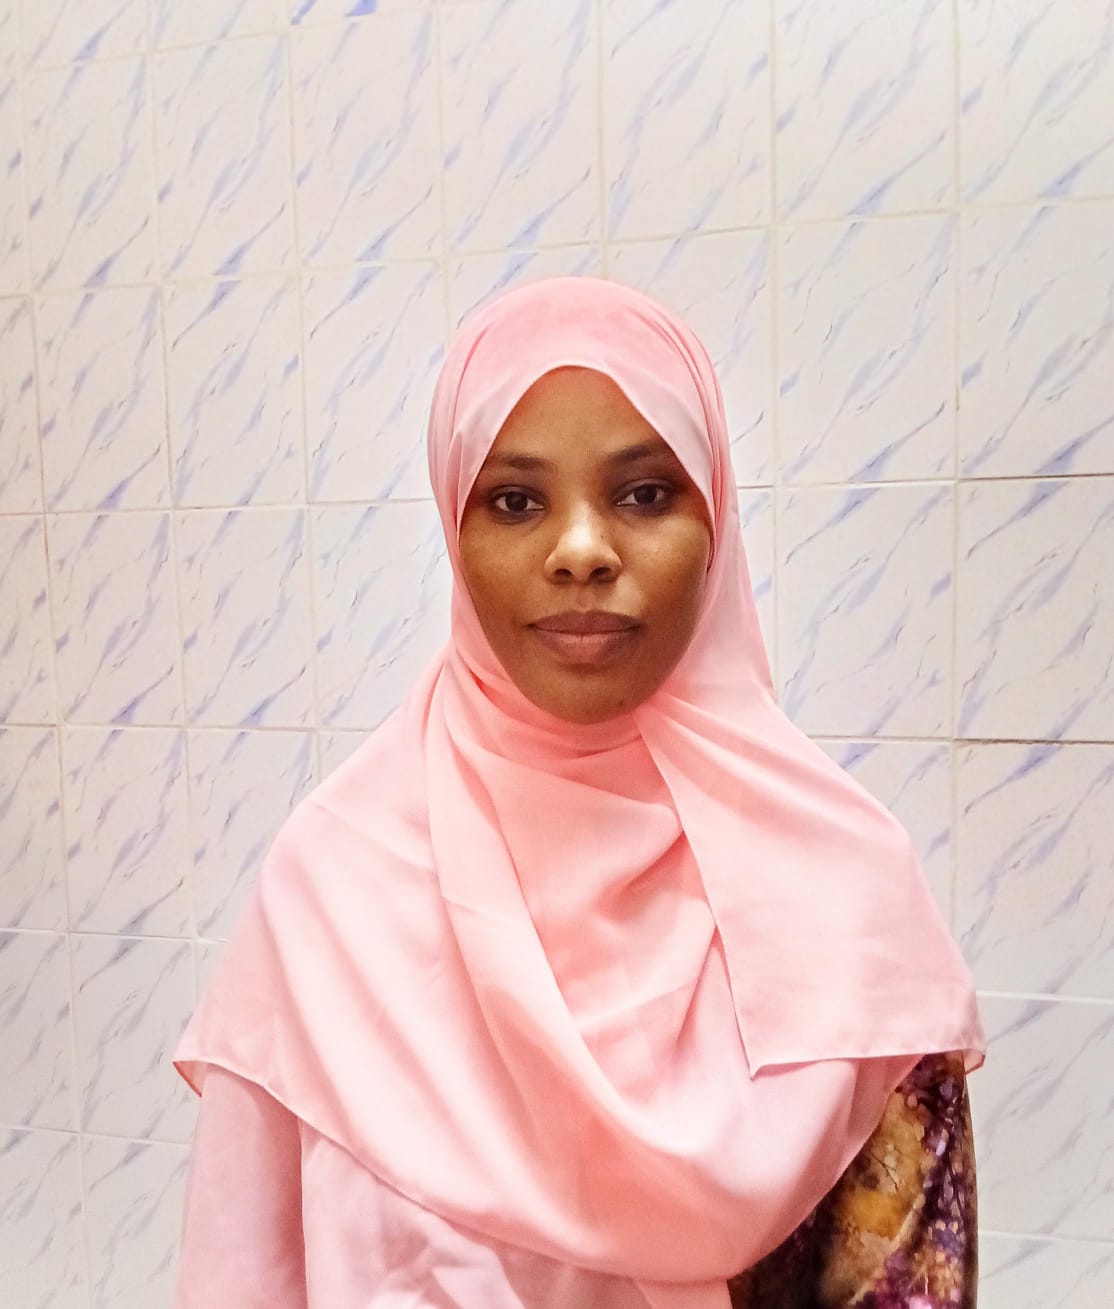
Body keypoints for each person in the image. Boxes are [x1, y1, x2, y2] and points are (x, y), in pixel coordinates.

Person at [173, 277, 984, 1308]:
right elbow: (244, 1275)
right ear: (453, 528)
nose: (582, 551)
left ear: (717, 518)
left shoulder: (848, 897)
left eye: (644, 493)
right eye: (516, 501)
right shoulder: (330, 887)